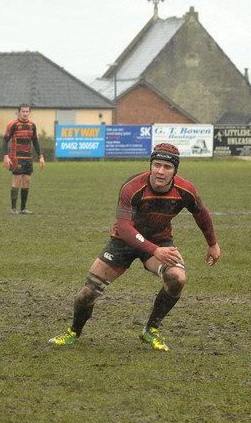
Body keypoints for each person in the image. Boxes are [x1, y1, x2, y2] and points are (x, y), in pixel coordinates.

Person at [48, 143, 221, 351]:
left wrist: (212, 244)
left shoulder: (185, 190)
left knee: (177, 278)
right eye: (157, 165)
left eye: (167, 167)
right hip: (124, 241)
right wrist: (153, 250)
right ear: (151, 165)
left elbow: (201, 213)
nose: (160, 171)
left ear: (175, 170)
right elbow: (124, 226)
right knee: (88, 293)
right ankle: (73, 332)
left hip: (160, 241)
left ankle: (150, 330)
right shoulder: (132, 187)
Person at [2, 103, 44, 214]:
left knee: (27, 182)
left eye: (27, 111)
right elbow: (5, 140)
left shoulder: (32, 125)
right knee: (17, 181)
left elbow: (35, 141)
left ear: (29, 112)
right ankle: (13, 208)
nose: (25, 113)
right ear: (19, 112)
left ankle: (23, 209)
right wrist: (6, 156)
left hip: (28, 158)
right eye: (23, 111)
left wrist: (40, 156)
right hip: (16, 157)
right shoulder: (13, 125)